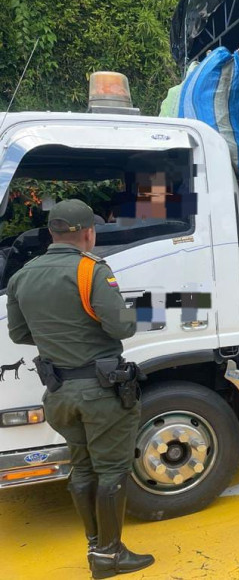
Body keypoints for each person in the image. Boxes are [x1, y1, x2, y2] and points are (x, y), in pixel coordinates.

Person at [6, 199, 153, 578]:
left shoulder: (23, 274)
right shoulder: (92, 271)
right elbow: (122, 328)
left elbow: (20, 334)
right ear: (88, 233)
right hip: (100, 393)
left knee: (82, 468)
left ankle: (94, 545)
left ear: (52, 233)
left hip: (58, 394)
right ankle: (110, 555)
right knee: (112, 471)